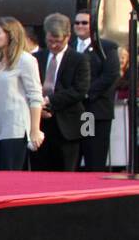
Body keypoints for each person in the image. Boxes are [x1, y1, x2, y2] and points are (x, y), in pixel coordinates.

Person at [31, 12, 90, 172]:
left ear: (68, 37)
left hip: (67, 126)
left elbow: (79, 89)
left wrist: (50, 100)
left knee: (65, 171)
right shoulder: (36, 58)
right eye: (50, 41)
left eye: (58, 41)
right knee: (39, 170)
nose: (54, 45)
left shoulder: (79, 59)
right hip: (40, 124)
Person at [0, 18, 44, 171]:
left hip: (14, 126)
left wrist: (35, 129)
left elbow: (35, 96)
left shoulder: (25, 60)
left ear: (10, 35)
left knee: (11, 171)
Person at [73, 9, 120, 172]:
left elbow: (110, 75)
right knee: (74, 158)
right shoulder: (70, 46)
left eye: (84, 22)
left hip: (93, 112)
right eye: (77, 23)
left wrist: (84, 92)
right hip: (72, 113)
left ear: (93, 25)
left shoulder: (106, 47)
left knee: (93, 155)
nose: (80, 26)